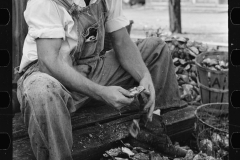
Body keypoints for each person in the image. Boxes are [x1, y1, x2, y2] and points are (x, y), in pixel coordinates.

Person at [15, 0, 186, 159]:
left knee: (156, 48)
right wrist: (101, 92)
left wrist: (145, 75)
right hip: (50, 77)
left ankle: (149, 131)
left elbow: (122, 41)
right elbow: (49, 61)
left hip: (91, 69)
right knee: (42, 92)